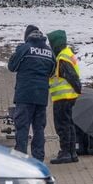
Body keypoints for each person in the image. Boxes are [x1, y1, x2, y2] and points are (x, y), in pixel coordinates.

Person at [7, 25, 55, 161]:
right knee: (39, 128)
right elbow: (52, 71)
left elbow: (12, 67)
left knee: (22, 127)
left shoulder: (24, 49)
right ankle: (38, 158)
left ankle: (21, 158)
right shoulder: (49, 52)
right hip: (41, 96)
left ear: (27, 36)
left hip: (25, 95)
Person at [47, 30, 82, 164]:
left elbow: (71, 76)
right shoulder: (68, 53)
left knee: (62, 125)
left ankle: (65, 152)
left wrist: (78, 88)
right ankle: (72, 152)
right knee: (69, 124)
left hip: (63, 97)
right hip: (69, 96)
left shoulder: (62, 58)